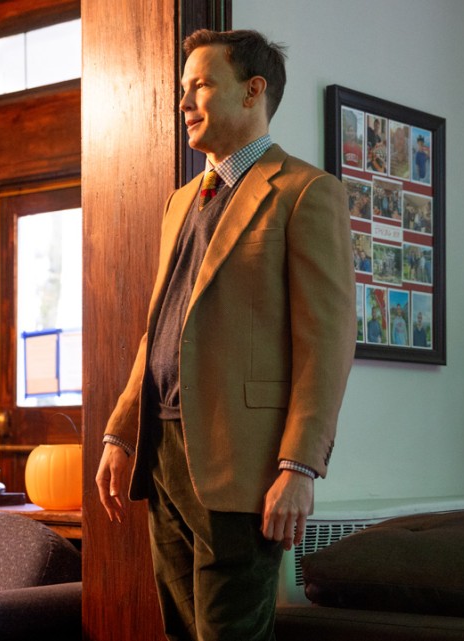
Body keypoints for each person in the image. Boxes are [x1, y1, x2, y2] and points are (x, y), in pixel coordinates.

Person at [94, 29, 356, 641]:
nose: (184, 103)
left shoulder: (307, 193)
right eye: (182, 89)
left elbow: (328, 342)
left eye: (201, 86)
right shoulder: (180, 202)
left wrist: (300, 466)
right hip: (162, 454)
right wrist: (120, 429)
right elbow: (159, 327)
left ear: (252, 92)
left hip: (245, 465)